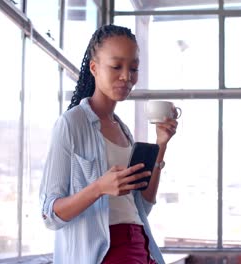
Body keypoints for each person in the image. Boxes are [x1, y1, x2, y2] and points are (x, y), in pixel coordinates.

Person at [39, 24, 178, 263]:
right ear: (94, 68)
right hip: (103, 252)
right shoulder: (71, 124)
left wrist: (161, 144)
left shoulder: (123, 129)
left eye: (133, 68)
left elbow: (143, 206)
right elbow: (49, 214)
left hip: (140, 243)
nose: (126, 76)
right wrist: (99, 188)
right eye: (116, 66)